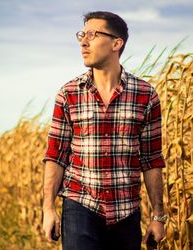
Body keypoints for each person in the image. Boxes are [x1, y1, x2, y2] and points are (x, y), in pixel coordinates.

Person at [42, 11, 167, 250]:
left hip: (126, 212)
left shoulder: (145, 94)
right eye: (82, 34)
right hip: (80, 207)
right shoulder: (69, 93)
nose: (83, 41)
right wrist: (48, 208)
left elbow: (151, 160)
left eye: (93, 34)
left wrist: (158, 217)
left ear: (116, 43)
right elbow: (55, 156)